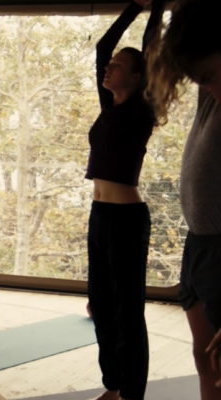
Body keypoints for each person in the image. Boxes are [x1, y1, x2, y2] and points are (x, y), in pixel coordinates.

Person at [84, 0, 166, 399]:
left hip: (127, 220)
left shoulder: (141, 107)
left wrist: (156, 8)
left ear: (137, 77)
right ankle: (113, 387)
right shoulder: (110, 107)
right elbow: (103, 48)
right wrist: (132, 6)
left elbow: (151, 48)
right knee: (101, 306)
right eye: (110, 65)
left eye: (118, 66)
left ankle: (133, 394)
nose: (108, 67)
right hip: (99, 215)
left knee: (127, 312)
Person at [146, 0, 221, 398]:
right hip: (198, 244)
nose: (209, 89)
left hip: (219, 247)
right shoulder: (212, 94)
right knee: (204, 357)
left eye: (208, 77)